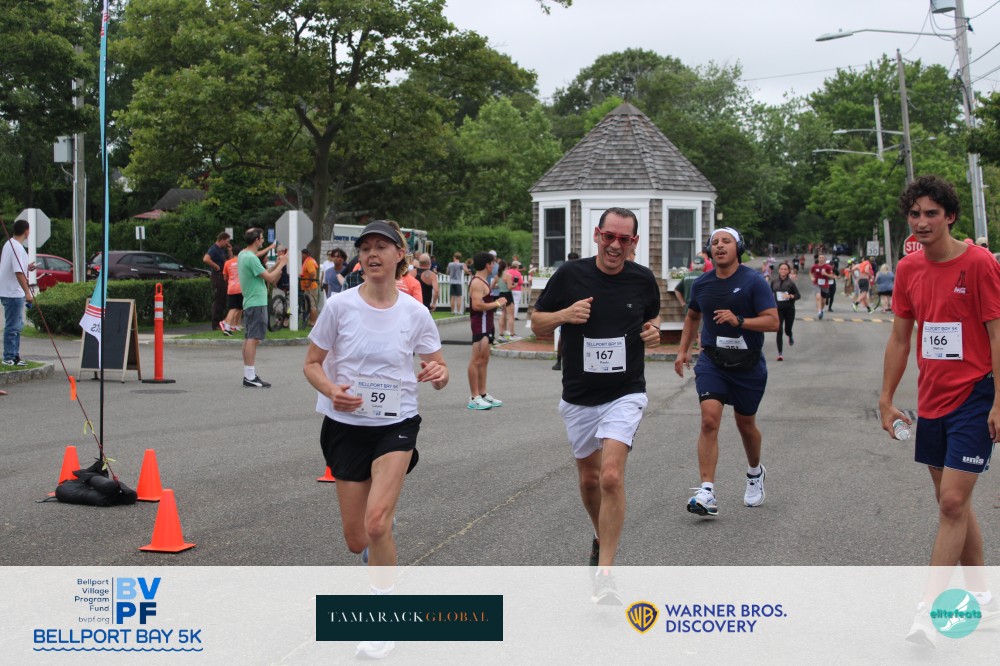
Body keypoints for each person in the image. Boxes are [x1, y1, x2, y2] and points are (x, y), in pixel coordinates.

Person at [303, 219, 447, 661]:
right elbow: (312, 363)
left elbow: (439, 368)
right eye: (365, 247)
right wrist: (332, 390)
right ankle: (379, 538)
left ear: (400, 254)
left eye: (382, 246)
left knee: (377, 523)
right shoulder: (339, 306)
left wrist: (438, 372)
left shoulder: (415, 313)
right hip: (345, 426)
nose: (371, 254)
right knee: (357, 539)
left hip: (396, 424)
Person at [879, 176, 1000, 646]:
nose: (922, 221)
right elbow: (900, 337)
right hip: (932, 398)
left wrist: (999, 400)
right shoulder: (908, 269)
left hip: (975, 396)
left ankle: (929, 613)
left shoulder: (979, 262)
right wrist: (886, 398)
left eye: (932, 213)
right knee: (954, 502)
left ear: (950, 216)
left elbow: (996, 334)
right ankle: (984, 598)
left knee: (951, 502)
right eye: (915, 214)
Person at [532, 207, 661, 605]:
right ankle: (600, 536)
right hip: (579, 396)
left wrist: (653, 332)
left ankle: (605, 575)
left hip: (625, 392)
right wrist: (565, 315)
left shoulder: (642, 280)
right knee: (589, 480)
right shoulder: (570, 275)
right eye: (609, 236)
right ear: (597, 235)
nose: (615, 245)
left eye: (624, 239)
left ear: (634, 242)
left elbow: (651, 320)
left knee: (610, 476)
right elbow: (536, 323)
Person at [674, 227, 779, 518]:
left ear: (738, 248)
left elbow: (773, 322)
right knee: (709, 419)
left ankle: (755, 472)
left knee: (746, 425)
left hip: (748, 365)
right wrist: (683, 350)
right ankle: (706, 491)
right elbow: (692, 315)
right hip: (713, 361)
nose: (719, 246)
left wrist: (739, 321)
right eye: (715, 243)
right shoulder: (702, 284)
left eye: (726, 241)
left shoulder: (753, 281)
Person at [237, 228, 287, 387]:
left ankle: (248, 374)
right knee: (254, 339)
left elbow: (263, 274)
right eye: (262, 237)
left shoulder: (243, 254)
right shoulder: (251, 258)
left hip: (250, 301)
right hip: (256, 302)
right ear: (256, 240)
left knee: (248, 338)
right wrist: (283, 264)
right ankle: (249, 377)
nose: (263, 240)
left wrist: (277, 264)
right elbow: (271, 278)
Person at [466, 252, 506, 410]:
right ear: (487, 265)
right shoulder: (477, 283)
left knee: (484, 360)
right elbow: (476, 305)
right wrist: (497, 303)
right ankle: (474, 397)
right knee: (476, 360)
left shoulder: (484, 281)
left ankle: (482, 394)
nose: (494, 266)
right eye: (493, 263)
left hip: (487, 324)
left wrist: (496, 303)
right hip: (480, 325)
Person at [1, 219, 35, 366]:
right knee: (13, 326)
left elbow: (16, 267)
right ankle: (9, 357)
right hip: (13, 293)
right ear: (26, 231)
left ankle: (15, 356)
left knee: (16, 325)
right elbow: (18, 273)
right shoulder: (17, 248)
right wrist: (27, 293)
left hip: (8, 291)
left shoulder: (9, 244)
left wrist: (27, 267)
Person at [550, 252, 581, 371]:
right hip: (572, 307)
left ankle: (559, 361)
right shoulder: (569, 272)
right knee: (563, 336)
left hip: (569, 307)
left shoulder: (565, 271)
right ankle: (560, 360)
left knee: (563, 337)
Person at [770, 261, 800, 361]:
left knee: (787, 329)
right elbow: (769, 294)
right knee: (779, 330)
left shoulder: (791, 283)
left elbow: (798, 295)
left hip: (789, 309)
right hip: (778, 309)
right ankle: (780, 353)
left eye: (785, 269)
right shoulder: (774, 282)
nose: (783, 271)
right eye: (781, 269)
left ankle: (790, 335)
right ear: (779, 270)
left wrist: (790, 296)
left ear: (788, 271)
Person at [203, 232, 231, 333]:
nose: (227, 243)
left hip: (222, 277)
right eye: (227, 241)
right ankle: (215, 324)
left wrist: (229, 250)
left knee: (223, 299)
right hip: (217, 276)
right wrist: (215, 266)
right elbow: (206, 259)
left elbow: (229, 261)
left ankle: (220, 322)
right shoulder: (214, 249)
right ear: (222, 239)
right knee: (218, 300)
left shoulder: (222, 250)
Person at [493, 260, 517, 342]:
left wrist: (499, 286)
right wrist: (515, 285)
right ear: (506, 266)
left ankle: (501, 334)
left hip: (501, 295)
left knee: (502, 315)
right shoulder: (508, 275)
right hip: (508, 295)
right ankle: (512, 334)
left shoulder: (497, 276)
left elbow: (492, 286)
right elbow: (510, 287)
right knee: (510, 316)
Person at [221, 246, 242, 335]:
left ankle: (231, 326)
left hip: (231, 288)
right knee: (239, 308)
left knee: (233, 308)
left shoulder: (227, 263)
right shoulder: (242, 262)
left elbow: (225, 277)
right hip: (241, 288)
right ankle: (227, 326)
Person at [809, 253, 834, 319]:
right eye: (820, 258)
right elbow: (811, 272)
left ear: (824, 259)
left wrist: (826, 274)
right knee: (818, 297)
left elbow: (832, 276)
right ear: (818, 259)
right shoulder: (815, 266)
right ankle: (819, 312)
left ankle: (821, 310)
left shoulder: (827, 267)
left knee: (823, 301)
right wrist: (812, 277)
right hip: (816, 284)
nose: (821, 259)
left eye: (822, 258)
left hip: (825, 285)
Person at [300, 248, 320, 326]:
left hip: (311, 288)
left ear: (306, 254)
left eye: (302, 254)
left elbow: (312, 273)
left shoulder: (309, 262)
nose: (301, 256)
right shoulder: (306, 261)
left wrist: (308, 283)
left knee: (312, 305)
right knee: (308, 305)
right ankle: (310, 321)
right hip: (307, 288)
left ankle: (313, 322)